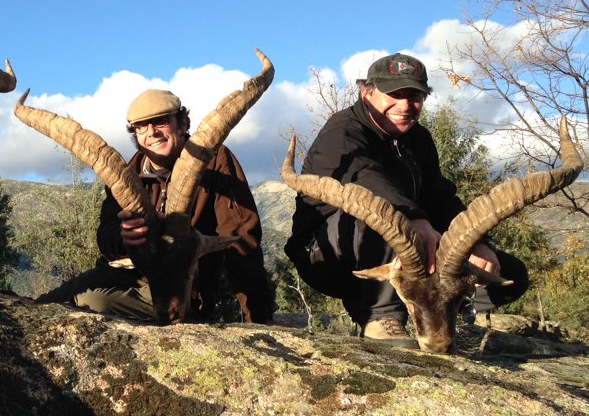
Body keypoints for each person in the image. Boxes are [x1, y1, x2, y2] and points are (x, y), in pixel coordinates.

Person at [284, 53, 528, 346]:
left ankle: (448, 312)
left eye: (415, 96)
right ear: (367, 92)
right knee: (381, 217)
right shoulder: (344, 130)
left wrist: (478, 243)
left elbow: (440, 197)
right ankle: (382, 317)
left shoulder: (418, 138)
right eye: (394, 95)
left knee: (511, 273)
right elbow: (366, 178)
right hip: (329, 257)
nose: (405, 106)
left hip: (405, 253)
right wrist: (414, 218)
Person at [36, 89, 277, 323]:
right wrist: (123, 237)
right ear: (135, 134)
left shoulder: (214, 162)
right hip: (130, 274)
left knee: (94, 302)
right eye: (141, 126)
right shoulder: (127, 174)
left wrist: (260, 316)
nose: (152, 132)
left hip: (183, 286)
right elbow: (105, 236)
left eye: (161, 121)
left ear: (182, 123)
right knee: (45, 303)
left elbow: (242, 238)